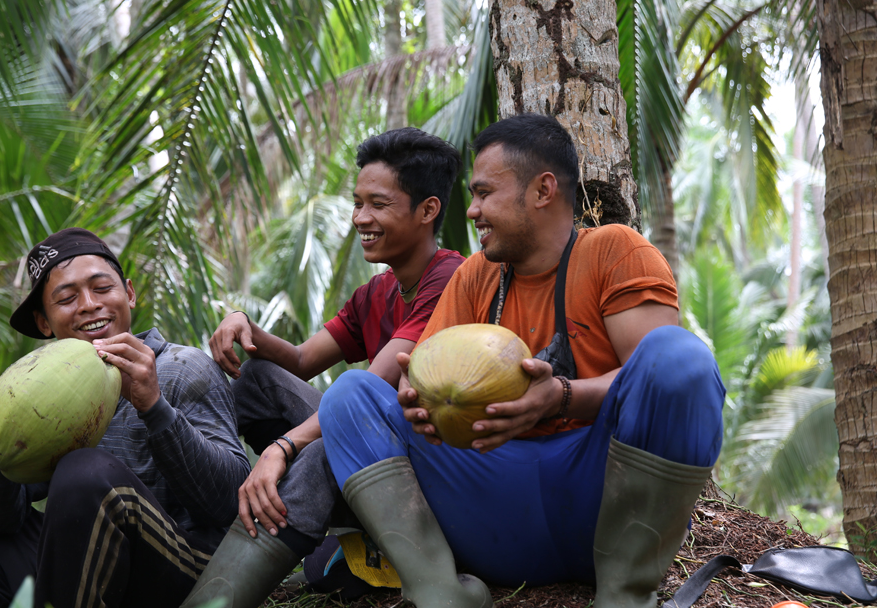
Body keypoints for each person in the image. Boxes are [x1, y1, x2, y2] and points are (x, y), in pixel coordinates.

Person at [187, 113, 726, 608]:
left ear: (542, 190)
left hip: (597, 501)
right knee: (353, 394)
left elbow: (652, 379)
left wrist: (559, 397)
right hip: (492, 506)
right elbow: (407, 384)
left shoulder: (615, 250)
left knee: (681, 358)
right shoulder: (473, 277)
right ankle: (438, 593)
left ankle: (624, 594)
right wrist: (420, 410)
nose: (471, 210)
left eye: (485, 193)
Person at [185, 127, 463, 604]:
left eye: (378, 204)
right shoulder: (373, 294)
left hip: (429, 468)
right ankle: (238, 503)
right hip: (373, 445)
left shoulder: (452, 278)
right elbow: (297, 361)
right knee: (256, 378)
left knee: (327, 434)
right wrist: (244, 323)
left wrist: (281, 448)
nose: (361, 218)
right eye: (357, 203)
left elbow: (368, 393)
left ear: (428, 210)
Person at [0, 228, 250, 608]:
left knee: (84, 471)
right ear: (44, 323)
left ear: (129, 293)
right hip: (84, 572)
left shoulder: (182, 367)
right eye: (66, 298)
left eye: (102, 288)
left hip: (183, 569)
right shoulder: (49, 392)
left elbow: (230, 501)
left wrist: (155, 407)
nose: (89, 305)